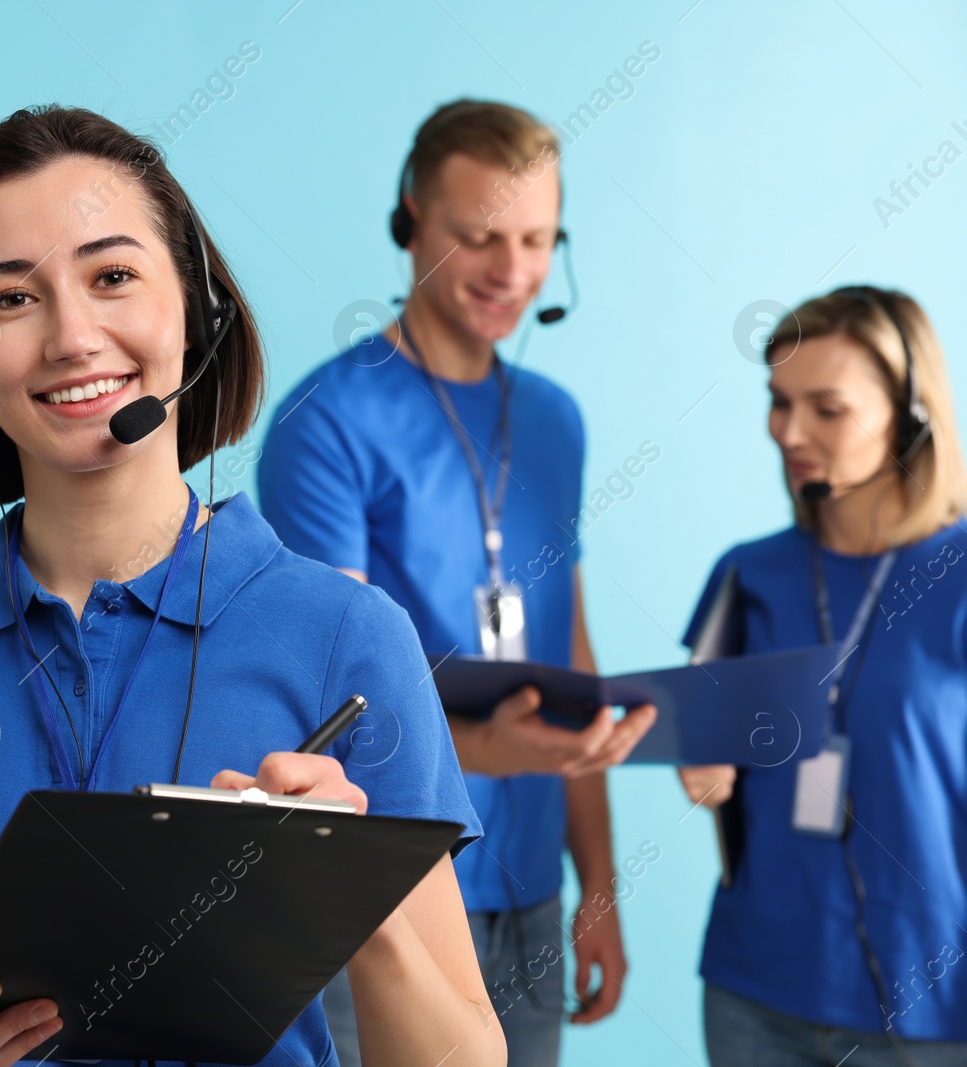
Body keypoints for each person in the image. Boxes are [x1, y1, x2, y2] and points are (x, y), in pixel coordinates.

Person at [0, 105, 505, 1067]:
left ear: (194, 305)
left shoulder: (347, 634)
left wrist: (353, 892)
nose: (73, 337)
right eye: (10, 299)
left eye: (113, 276)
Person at [259, 99, 656, 1067]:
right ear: (409, 220)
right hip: (386, 892)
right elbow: (331, 695)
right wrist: (495, 750)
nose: (511, 271)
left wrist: (595, 885)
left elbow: (572, 655)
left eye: (533, 238)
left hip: (529, 893)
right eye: (478, 235)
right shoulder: (325, 421)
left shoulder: (554, 421)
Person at [678, 286, 967, 1067]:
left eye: (827, 409)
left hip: (935, 1009)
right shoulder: (748, 574)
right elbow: (703, 753)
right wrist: (698, 763)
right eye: (778, 402)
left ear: (910, 416)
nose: (790, 433)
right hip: (754, 993)